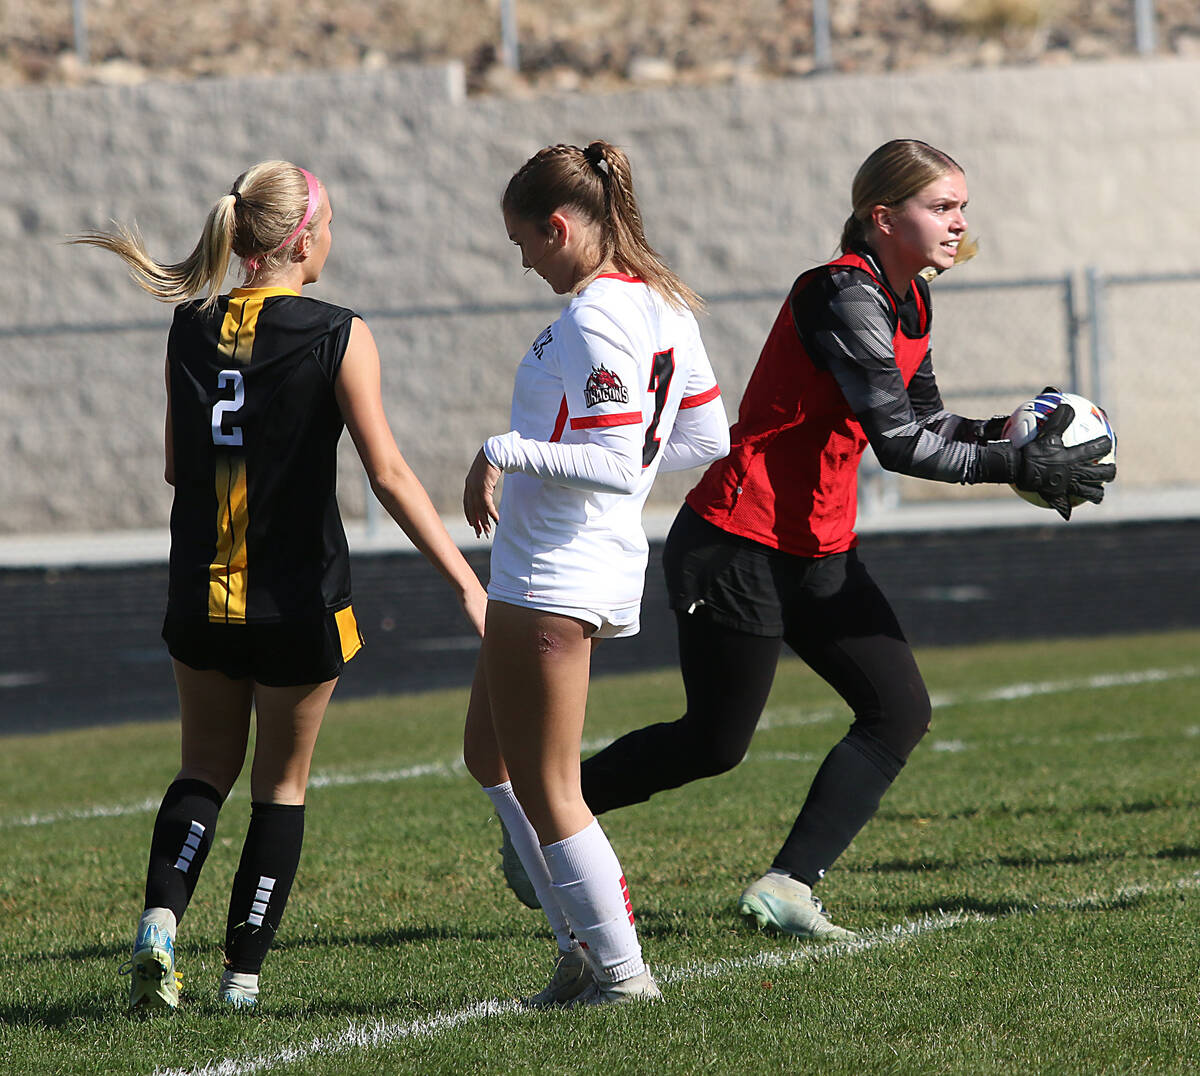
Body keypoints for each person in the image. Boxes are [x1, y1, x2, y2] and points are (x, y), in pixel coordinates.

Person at [497, 138, 1116, 940]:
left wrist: (1009, 432)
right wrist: (1013, 461)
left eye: (962, 207)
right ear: (882, 216)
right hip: (738, 541)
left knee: (898, 709)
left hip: (819, 543)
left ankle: (788, 885)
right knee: (713, 744)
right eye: (943, 207)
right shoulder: (840, 295)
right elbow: (898, 443)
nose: (960, 222)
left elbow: (924, 421)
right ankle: (545, 819)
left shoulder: (911, 299)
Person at [72, 160, 488, 1011]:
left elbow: (175, 466)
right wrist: (463, 581)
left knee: (202, 767)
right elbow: (391, 474)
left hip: (202, 592)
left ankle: (159, 924)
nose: (332, 237)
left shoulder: (189, 326)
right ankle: (240, 982)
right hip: (299, 601)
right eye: (328, 222)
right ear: (301, 239)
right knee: (281, 785)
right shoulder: (339, 331)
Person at [461, 140, 729, 1006]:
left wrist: (502, 451)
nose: (524, 259)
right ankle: (580, 947)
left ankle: (620, 973)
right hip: (557, 560)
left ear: (561, 224)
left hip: (557, 567)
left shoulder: (596, 314)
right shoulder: (662, 303)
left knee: (550, 782)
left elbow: (618, 461)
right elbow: (701, 439)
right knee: (488, 754)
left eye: (525, 241)